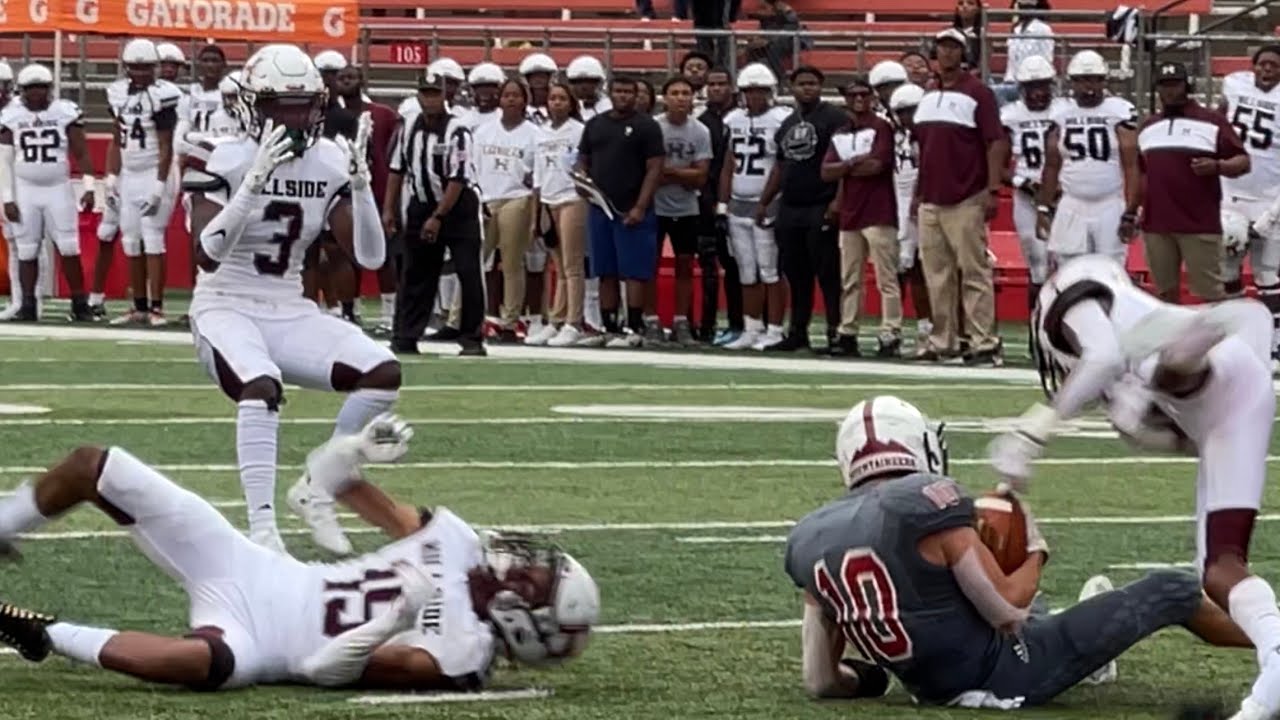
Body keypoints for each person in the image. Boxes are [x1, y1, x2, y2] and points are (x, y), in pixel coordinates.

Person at [0, 415, 600, 691]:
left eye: (531, 578)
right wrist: (352, 453)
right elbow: (328, 485)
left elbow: (323, 670)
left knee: (200, 664)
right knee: (95, 466)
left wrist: (392, 621)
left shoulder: (459, 655)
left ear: (528, 622)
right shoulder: (460, 541)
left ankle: (41, 631)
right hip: (260, 570)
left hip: (268, 643)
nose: (520, 563)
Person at [789, 394, 1246, 708]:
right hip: (1004, 676)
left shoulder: (812, 535)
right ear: (916, 446)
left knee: (1039, 609)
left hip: (930, 685)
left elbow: (820, 679)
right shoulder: (927, 502)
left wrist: (868, 678)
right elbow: (1007, 611)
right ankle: (1272, 641)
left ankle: (1096, 656)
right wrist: (1035, 549)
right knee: (1171, 590)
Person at [991, 254, 1280, 719]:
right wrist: (1143, 421)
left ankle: (1190, 349)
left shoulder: (1065, 296)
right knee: (1219, 568)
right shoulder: (1124, 386)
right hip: (1237, 402)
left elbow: (1103, 356)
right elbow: (1182, 431)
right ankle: (1275, 657)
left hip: (1202, 369)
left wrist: (1035, 429)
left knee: (1154, 372)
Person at [182, 43, 399, 555]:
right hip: (225, 303)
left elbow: (369, 256)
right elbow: (205, 255)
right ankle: (263, 532)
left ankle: (320, 482)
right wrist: (251, 185)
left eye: (305, 106)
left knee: (382, 373)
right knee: (261, 386)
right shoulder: (218, 154)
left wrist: (362, 188)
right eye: (282, 106)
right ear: (252, 106)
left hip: (290, 306)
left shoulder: (330, 160)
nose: (296, 119)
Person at [914, 28, 1006, 366]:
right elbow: (924, 148)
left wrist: (992, 189)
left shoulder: (978, 92)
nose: (947, 53)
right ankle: (944, 339)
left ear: (963, 53)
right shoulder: (928, 94)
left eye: (953, 47)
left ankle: (983, 341)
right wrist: (919, 192)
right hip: (931, 196)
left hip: (966, 194)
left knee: (973, 272)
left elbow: (996, 141)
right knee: (937, 274)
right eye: (942, 47)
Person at [384, 69, 486, 357]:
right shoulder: (409, 128)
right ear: (418, 96)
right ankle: (406, 335)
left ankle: (471, 337)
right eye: (425, 94)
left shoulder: (458, 130)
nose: (430, 100)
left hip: (458, 208)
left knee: (467, 271)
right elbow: (396, 169)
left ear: (444, 96)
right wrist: (389, 209)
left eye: (435, 94)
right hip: (421, 204)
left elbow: (458, 178)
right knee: (415, 272)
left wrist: (438, 217)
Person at [1138, 61, 1249, 304]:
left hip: (1199, 223)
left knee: (1210, 295)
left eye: (1175, 85)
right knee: (1163, 295)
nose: (1170, 91)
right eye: (1164, 85)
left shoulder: (1212, 121)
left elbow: (1243, 161)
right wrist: (1137, 208)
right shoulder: (1148, 126)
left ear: (1187, 86)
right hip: (1157, 224)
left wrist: (1217, 166)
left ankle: (1218, 331)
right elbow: (1142, 173)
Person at [755, 65, 846, 353]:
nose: (807, 88)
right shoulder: (788, 123)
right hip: (791, 206)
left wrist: (838, 201)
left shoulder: (835, 118)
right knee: (795, 274)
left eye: (813, 83)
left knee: (828, 274)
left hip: (821, 203)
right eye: (802, 83)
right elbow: (781, 166)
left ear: (821, 86)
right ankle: (798, 331)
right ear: (791, 88)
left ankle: (835, 332)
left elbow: (845, 163)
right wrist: (765, 201)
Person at [91, 39, 182, 326]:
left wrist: (159, 185)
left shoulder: (164, 95)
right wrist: (111, 177)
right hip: (129, 174)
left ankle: (157, 308)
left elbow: (166, 145)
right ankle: (139, 306)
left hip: (155, 171)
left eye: (146, 68)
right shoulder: (117, 93)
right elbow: (117, 138)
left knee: (152, 238)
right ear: (126, 68)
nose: (141, 73)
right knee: (130, 240)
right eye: (135, 67)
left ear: (155, 68)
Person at [0, 63, 96, 322]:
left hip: (58, 187)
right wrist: (8, 198)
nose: (37, 93)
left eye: (41, 87)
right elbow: (4, 161)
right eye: (31, 88)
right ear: (21, 90)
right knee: (26, 249)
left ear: (50, 88)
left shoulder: (65, 111)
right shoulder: (10, 116)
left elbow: (81, 152)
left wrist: (88, 187)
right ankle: (28, 304)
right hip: (26, 189)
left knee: (69, 246)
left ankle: (80, 303)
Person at [576, 75, 664, 347]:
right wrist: (582, 180)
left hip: (632, 209)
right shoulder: (595, 125)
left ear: (636, 95)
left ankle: (634, 328)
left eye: (628, 91)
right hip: (600, 208)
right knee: (605, 270)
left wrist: (640, 206)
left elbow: (655, 168)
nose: (623, 96)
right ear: (610, 93)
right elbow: (582, 160)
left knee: (634, 271)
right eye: (619, 91)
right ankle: (609, 327)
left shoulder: (647, 126)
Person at [1035, 50, 1139, 270]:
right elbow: (1052, 165)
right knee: (1068, 268)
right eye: (1082, 80)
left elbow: (1132, 166)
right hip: (1072, 202)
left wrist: (1130, 212)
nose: (1088, 86)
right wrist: (1044, 206)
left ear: (1104, 81)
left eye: (1094, 79)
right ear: (1072, 82)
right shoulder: (1060, 111)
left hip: (1110, 202)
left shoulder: (1119, 110)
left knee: (1111, 269)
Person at [822, 76, 900, 358]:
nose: (858, 100)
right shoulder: (842, 132)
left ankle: (890, 331)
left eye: (863, 95)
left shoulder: (881, 127)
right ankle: (848, 330)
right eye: (853, 95)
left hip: (878, 210)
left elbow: (877, 165)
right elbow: (826, 171)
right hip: (852, 211)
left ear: (872, 98)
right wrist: (853, 163)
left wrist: (844, 167)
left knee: (886, 277)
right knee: (850, 278)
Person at [721, 64, 791, 351]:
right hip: (738, 204)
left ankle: (775, 329)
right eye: (750, 91)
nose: (755, 96)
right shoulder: (733, 119)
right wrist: (722, 204)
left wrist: (767, 201)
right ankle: (752, 328)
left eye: (760, 91)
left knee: (770, 270)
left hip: (768, 204)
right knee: (746, 270)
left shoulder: (781, 119)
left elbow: (781, 165)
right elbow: (728, 164)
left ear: (771, 92)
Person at [1218, 45, 1280, 359]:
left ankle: (1275, 342)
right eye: (1262, 63)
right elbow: (1216, 123)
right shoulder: (1234, 84)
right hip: (1231, 194)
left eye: (1274, 65)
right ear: (1252, 65)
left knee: (1267, 273)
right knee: (1227, 268)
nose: (1267, 69)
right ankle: (1239, 333)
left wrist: (1272, 214)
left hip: (1270, 196)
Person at [641, 76, 711, 348]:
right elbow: (649, 172)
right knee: (650, 264)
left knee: (684, 264)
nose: (681, 98)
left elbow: (700, 176)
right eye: (675, 93)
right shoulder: (653, 128)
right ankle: (651, 320)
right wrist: (682, 173)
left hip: (687, 208)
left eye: (685, 93)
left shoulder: (700, 131)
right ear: (665, 98)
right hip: (655, 206)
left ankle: (681, 321)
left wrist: (668, 172)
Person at [472, 78, 538, 343]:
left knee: (511, 263)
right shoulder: (483, 132)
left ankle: (510, 322)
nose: (511, 99)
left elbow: (537, 173)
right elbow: (474, 167)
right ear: (499, 99)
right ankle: (461, 319)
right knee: (475, 261)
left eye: (516, 95)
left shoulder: (534, 134)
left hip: (516, 198)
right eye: (507, 95)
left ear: (524, 100)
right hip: (486, 199)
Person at [1000, 56, 1066, 310]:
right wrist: (1023, 182)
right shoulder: (1009, 115)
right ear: (1021, 88)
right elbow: (997, 166)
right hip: (1028, 196)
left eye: (1043, 86)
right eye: (1032, 87)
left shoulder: (1066, 110)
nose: (1038, 93)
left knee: (1067, 263)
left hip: (1065, 195)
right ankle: (1036, 323)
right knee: (1038, 266)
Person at [530, 81, 590, 347]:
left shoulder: (578, 131)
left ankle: (573, 321)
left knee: (572, 264)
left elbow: (583, 166)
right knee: (557, 264)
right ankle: (556, 319)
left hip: (571, 199)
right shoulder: (540, 133)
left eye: (562, 98)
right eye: (553, 98)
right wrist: (537, 209)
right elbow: (537, 175)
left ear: (571, 103)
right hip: (548, 199)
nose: (556, 103)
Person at [696, 67, 742, 345]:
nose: (716, 88)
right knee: (710, 267)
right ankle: (707, 325)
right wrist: (710, 201)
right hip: (707, 202)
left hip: (741, 201)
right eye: (711, 84)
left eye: (721, 83)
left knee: (740, 265)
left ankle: (743, 323)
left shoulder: (742, 119)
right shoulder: (701, 122)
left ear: (732, 87)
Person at [997, 0, 1055, 106]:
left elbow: (1047, 59)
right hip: (1011, 81)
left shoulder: (1043, 29)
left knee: (997, 92)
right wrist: (1008, 79)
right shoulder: (1016, 29)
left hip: (1031, 82)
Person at [568, 55, 611, 121]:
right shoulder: (564, 107)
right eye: (577, 82)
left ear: (599, 82)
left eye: (589, 81)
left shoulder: (609, 107)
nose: (583, 86)